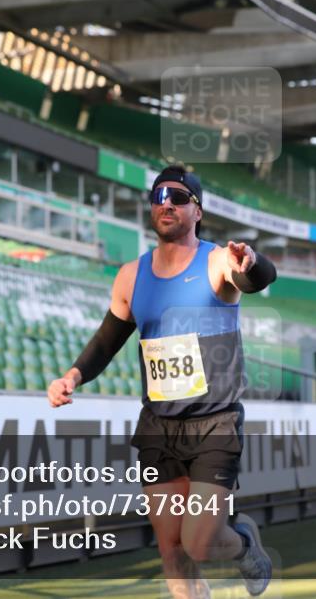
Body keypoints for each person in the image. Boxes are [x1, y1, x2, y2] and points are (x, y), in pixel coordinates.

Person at [47, 166, 276, 597]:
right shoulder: (131, 276)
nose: (166, 203)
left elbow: (258, 277)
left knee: (200, 542)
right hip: (158, 426)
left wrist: (252, 262)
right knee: (172, 549)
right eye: (159, 196)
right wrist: (72, 376)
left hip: (214, 423)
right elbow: (107, 341)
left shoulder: (217, 262)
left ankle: (244, 544)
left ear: (197, 211)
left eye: (178, 197)